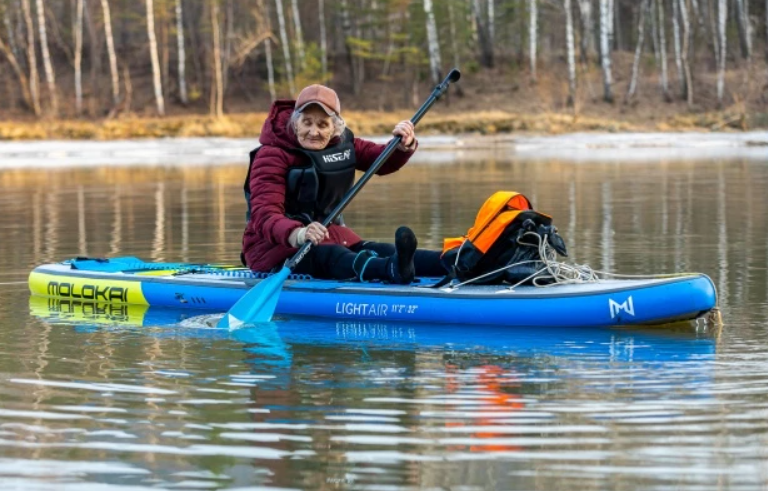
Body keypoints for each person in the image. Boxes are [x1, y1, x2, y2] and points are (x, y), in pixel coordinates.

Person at [241, 84, 444, 284]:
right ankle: (390, 269)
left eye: (322, 125)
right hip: (275, 249)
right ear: (295, 123)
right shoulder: (271, 155)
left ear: (335, 127)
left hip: (330, 236)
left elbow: (381, 160)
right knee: (334, 256)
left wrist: (402, 145)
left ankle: (452, 261)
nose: (313, 132)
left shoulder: (342, 144)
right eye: (307, 122)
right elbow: (264, 214)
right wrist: (299, 233)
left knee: (382, 250)